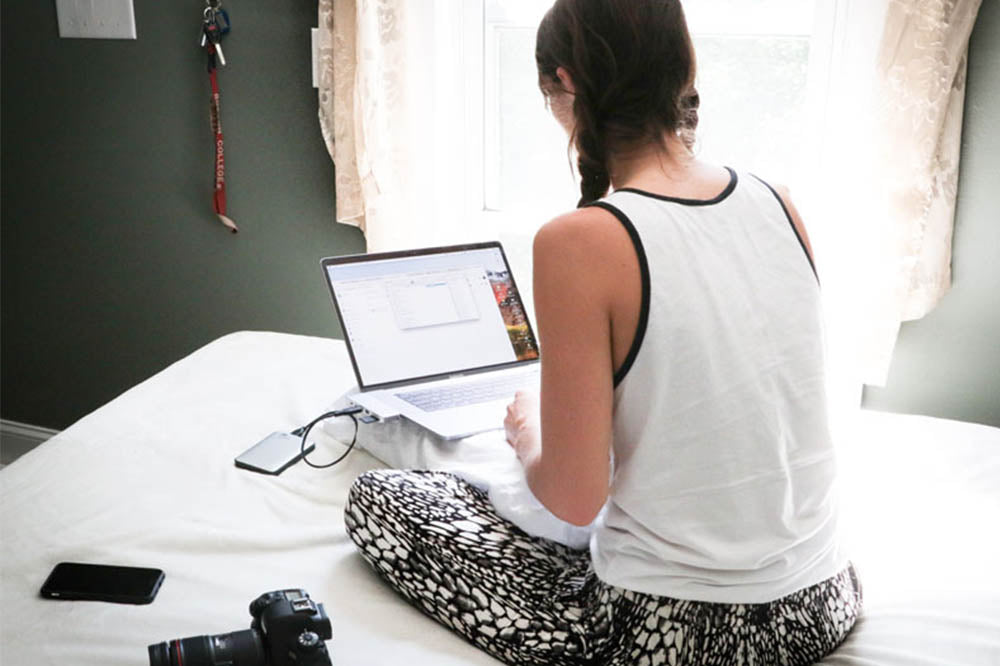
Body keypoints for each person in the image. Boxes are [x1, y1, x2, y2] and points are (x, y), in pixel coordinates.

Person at [344, 0, 863, 663]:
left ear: (564, 86)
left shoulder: (580, 240)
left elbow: (574, 497)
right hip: (825, 600)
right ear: (683, 68)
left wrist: (528, 432)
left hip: (681, 635)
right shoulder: (776, 198)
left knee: (382, 499)